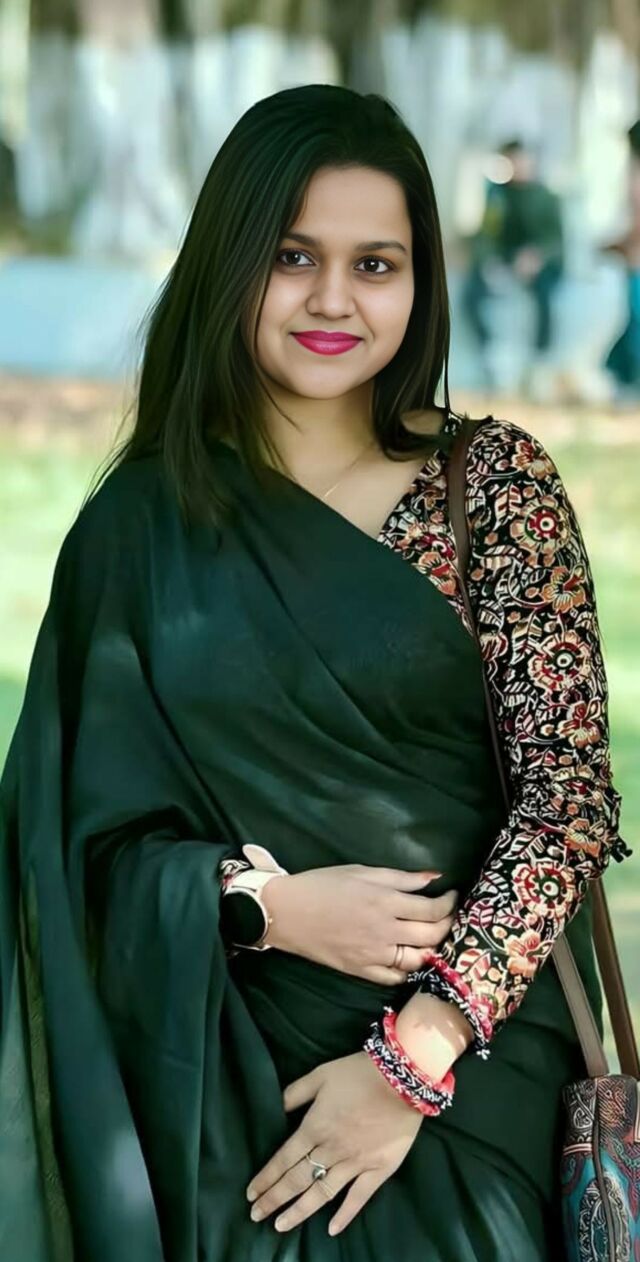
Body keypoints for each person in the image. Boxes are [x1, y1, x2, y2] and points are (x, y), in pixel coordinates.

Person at [0, 84, 628, 1262]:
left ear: (419, 282)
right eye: (293, 256)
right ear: (229, 261)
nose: (334, 298)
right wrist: (260, 908)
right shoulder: (141, 528)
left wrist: (412, 1058)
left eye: (374, 264)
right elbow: (70, 850)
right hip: (216, 1085)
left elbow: (566, 804)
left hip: (472, 1080)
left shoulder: (493, 487)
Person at [462, 139, 565, 394]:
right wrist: (489, 262)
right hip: (506, 259)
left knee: (543, 293)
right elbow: (487, 233)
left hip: (542, 263)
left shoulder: (546, 197)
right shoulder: (497, 196)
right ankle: (490, 352)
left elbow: (556, 240)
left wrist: (537, 256)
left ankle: (540, 360)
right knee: (471, 291)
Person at [602, 119, 640, 398]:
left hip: (636, 261)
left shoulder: (635, 174)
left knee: (635, 321)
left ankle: (629, 379)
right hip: (633, 261)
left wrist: (618, 243)